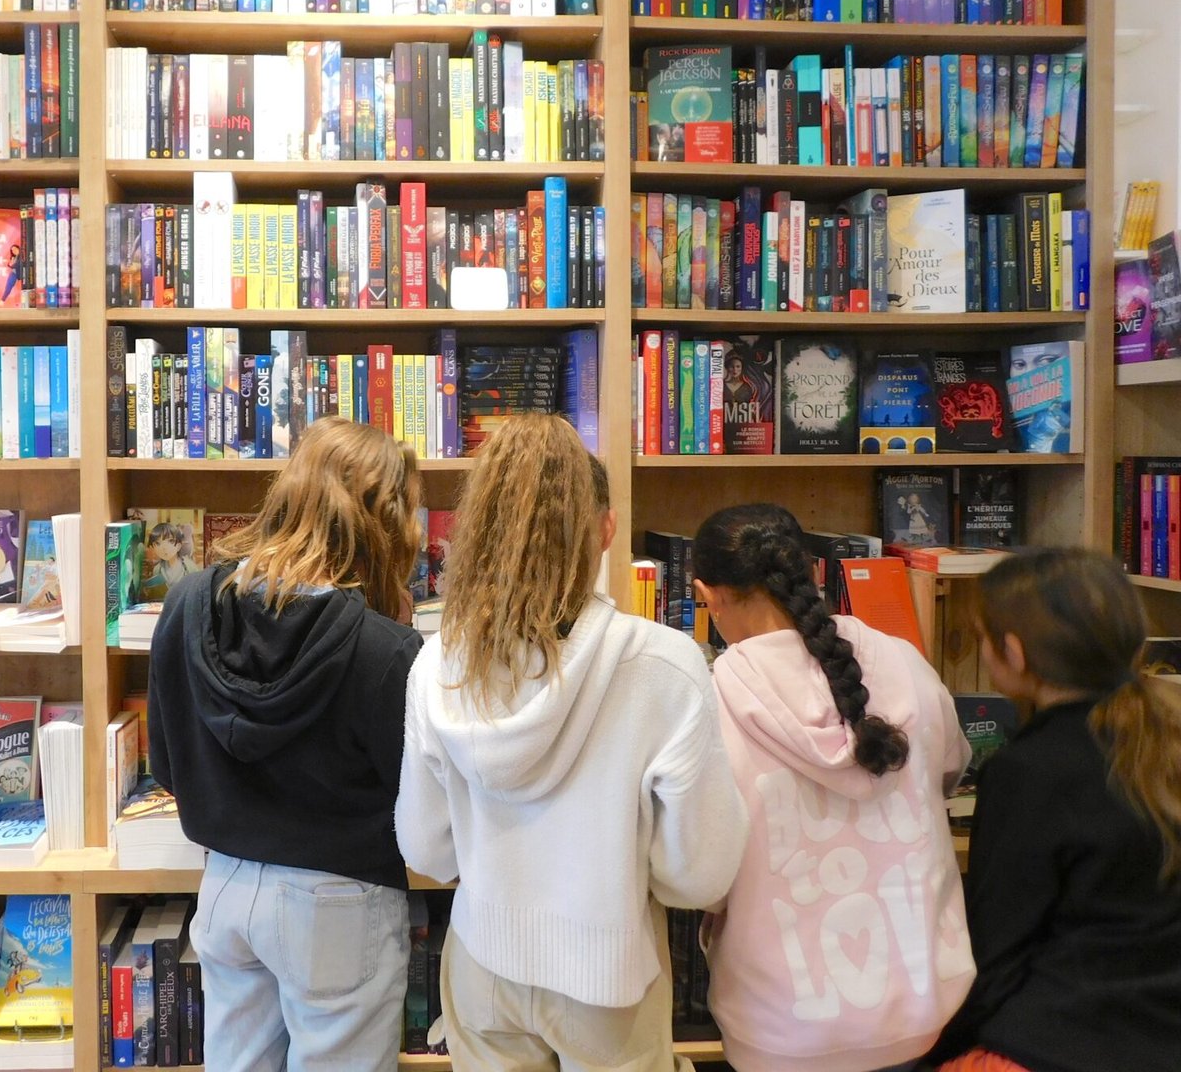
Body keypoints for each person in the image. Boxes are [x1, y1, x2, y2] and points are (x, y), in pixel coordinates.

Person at [396, 414, 746, 1072]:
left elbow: (427, 849)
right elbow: (699, 873)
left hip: (484, 963)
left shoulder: (439, 662)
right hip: (609, 974)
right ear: (606, 528)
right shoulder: (667, 667)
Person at [147, 416, 425, 1072]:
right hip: (340, 902)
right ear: (382, 524)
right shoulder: (386, 651)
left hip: (224, 888)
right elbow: (417, 806)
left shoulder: (187, 603)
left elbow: (167, 763)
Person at [689, 503, 974, 1072]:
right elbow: (952, 767)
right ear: (817, 573)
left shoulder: (708, 699)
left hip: (780, 1025)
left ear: (707, 594)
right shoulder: (904, 661)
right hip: (920, 1006)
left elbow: (704, 875)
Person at [927, 549, 1181, 1072]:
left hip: (1062, 1039)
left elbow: (997, 955)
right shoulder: (1166, 736)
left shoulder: (1028, 770)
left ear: (1014, 654)